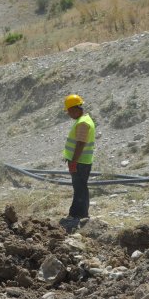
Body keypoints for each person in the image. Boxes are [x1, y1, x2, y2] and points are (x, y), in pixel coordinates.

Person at [62, 94, 96, 223]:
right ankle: (79, 214)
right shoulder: (85, 120)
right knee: (81, 187)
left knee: (79, 188)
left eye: (69, 111)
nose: (69, 114)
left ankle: (78, 215)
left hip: (80, 161)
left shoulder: (83, 123)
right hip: (82, 161)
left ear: (75, 109)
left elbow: (80, 143)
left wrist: (74, 162)